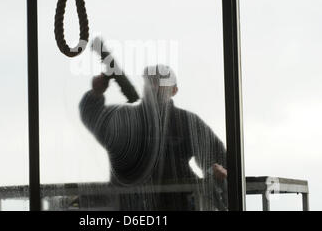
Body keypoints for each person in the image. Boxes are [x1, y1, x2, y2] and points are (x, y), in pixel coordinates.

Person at [79, 65, 227, 210]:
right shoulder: (124, 119)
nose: (154, 86)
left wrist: (215, 170)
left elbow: (218, 158)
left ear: (174, 90)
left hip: (178, 204)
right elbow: (93, 116)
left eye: (161, 82)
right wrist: (95, 94)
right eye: (151, 81)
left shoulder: (187, 121)